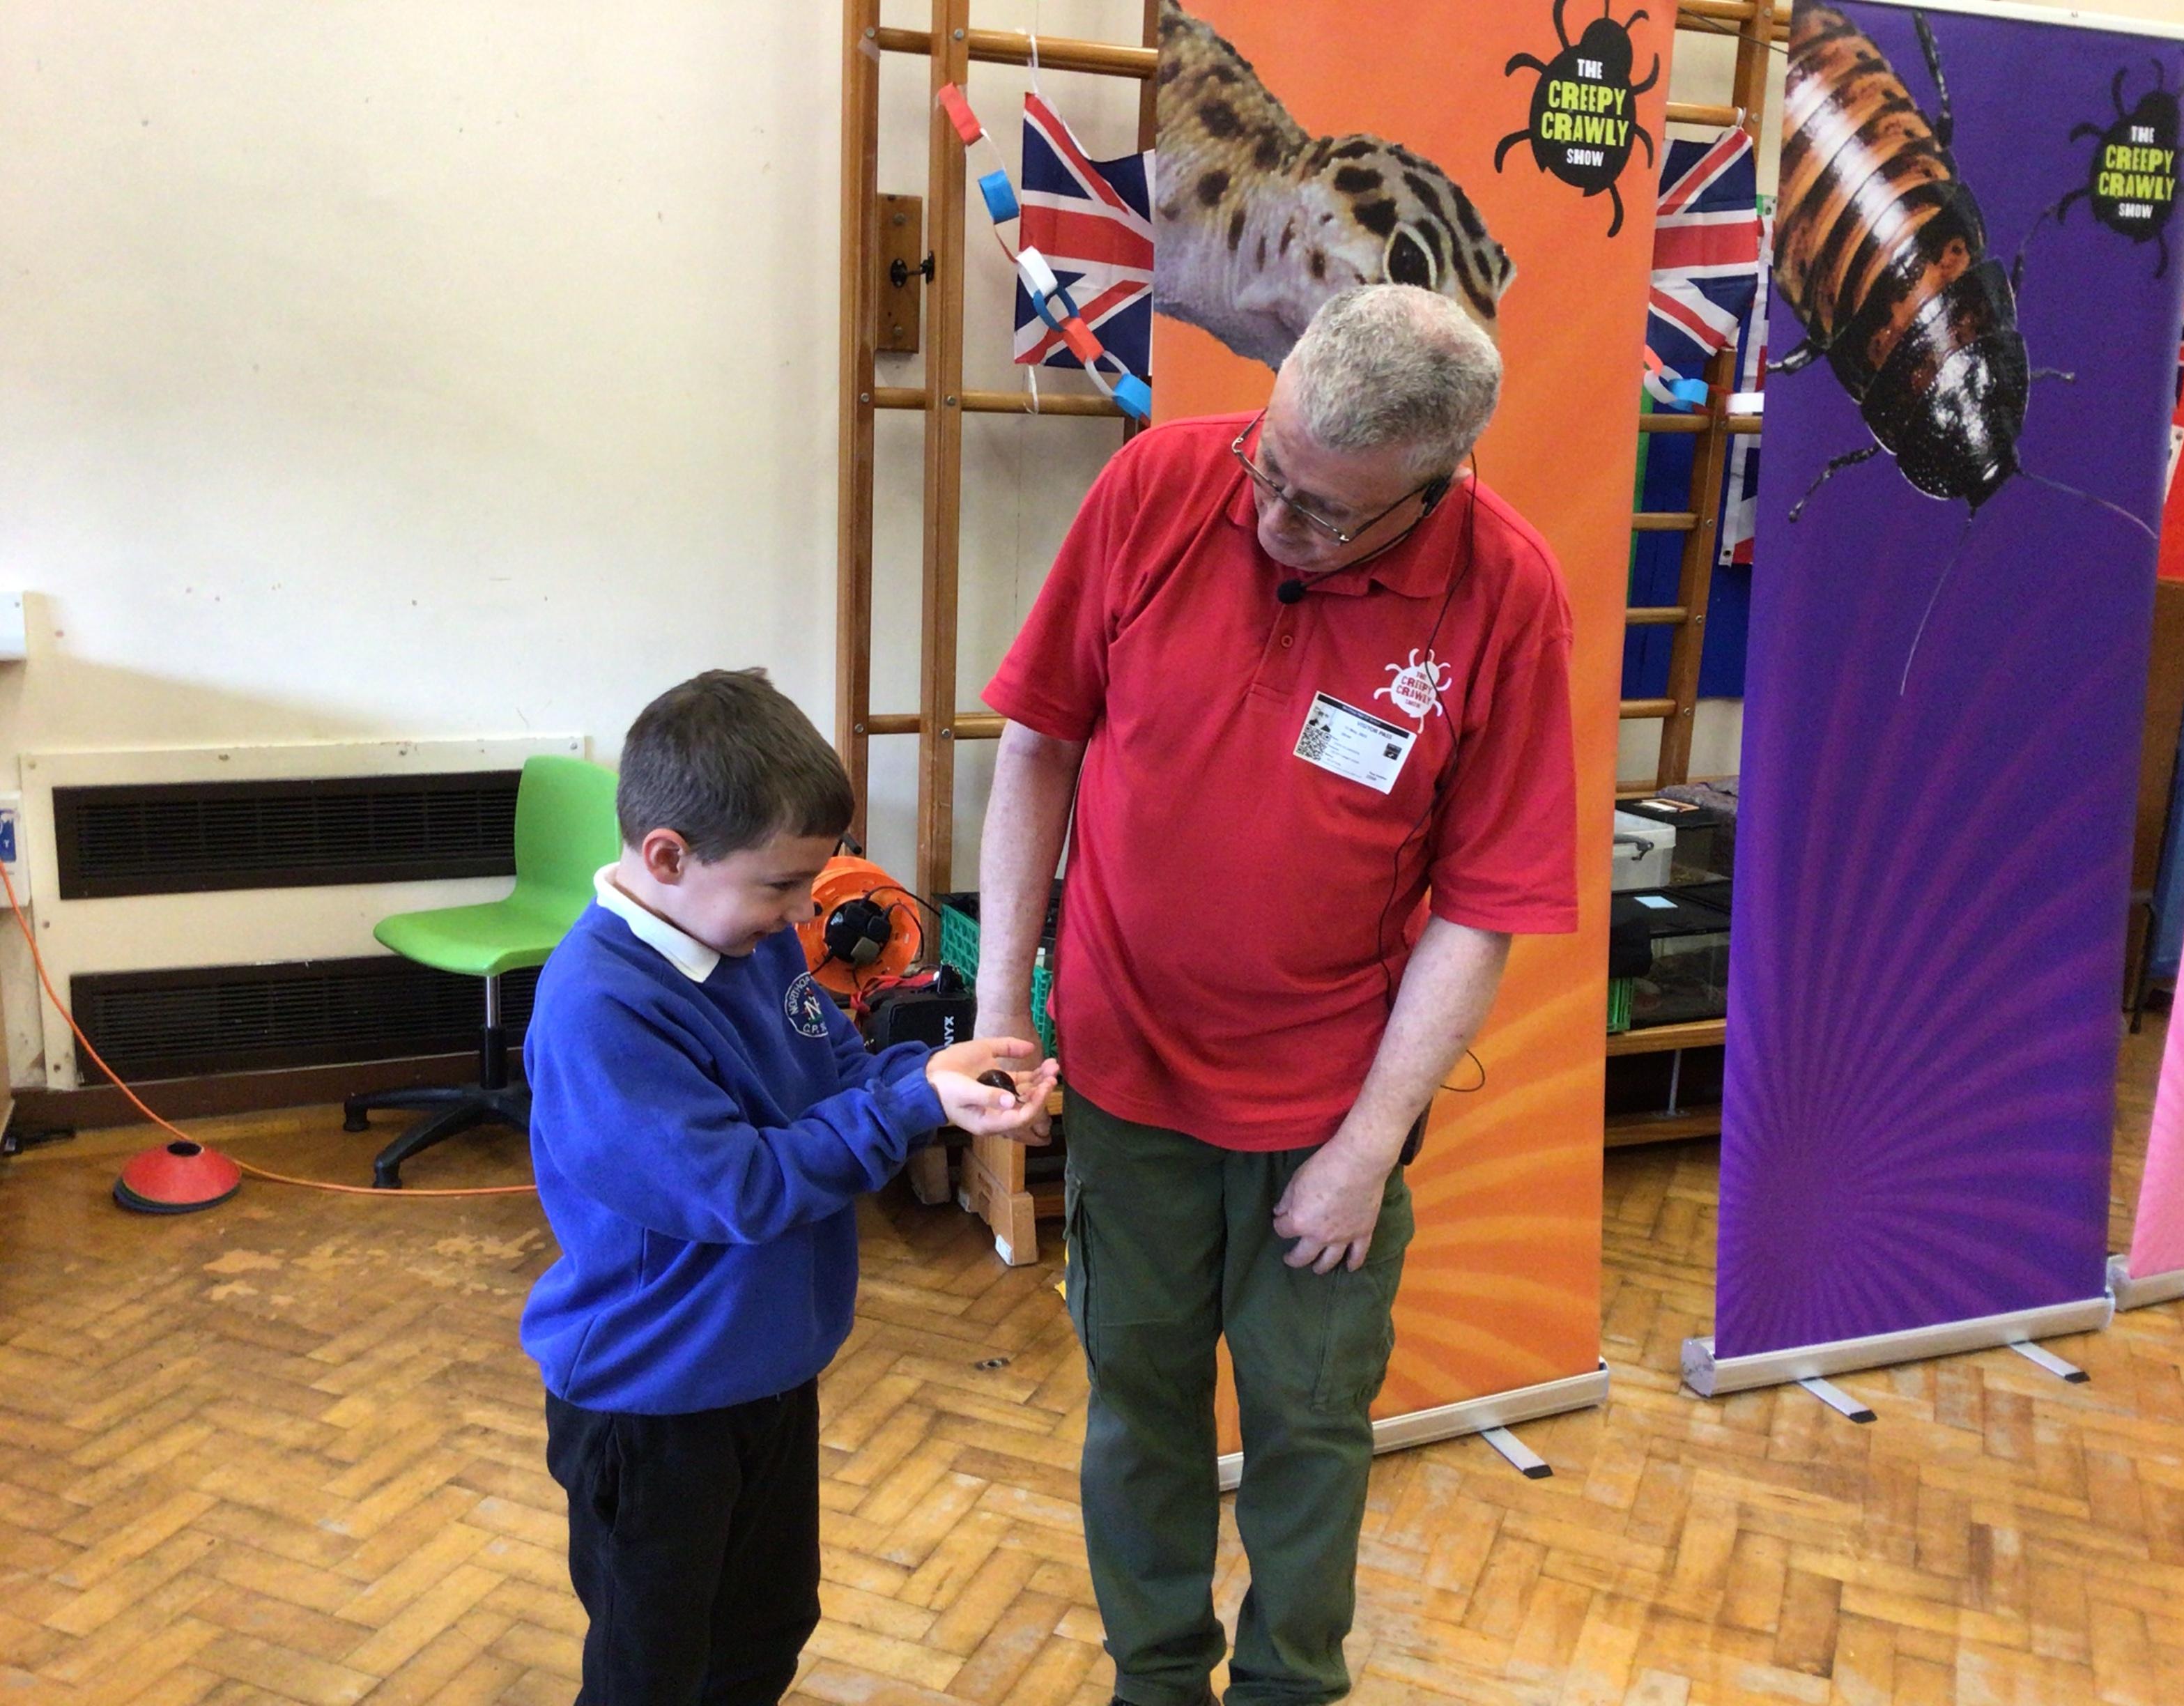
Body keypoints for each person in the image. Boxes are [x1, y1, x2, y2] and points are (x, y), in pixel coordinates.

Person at [976, 284, 1577, 1706]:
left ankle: (1290, 1686)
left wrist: (1366, 1149)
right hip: (1128, 1078)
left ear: (1435, 484)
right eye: (1272, 466)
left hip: (1323, 1112)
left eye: (1323, 510)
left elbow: (1484, 906)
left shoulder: (1506, 592)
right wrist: (1003, 1011)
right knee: (1139, 1411)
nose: (1272, 518)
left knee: (1311, 1427)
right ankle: (1155, 1680)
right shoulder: (1160, 485)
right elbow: (1038, 744)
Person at [521, 668, 1058, 1706]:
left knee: (764, 1635)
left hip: (764, 1368)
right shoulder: (600, 1007)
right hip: (654, 1398)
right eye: (781, 884)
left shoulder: (748, 939)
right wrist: (904, 1109)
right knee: (651, 1672)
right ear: (668, 857)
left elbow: (837, 1074)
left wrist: (935, 1081)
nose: (806, 908)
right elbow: (743, 1189)